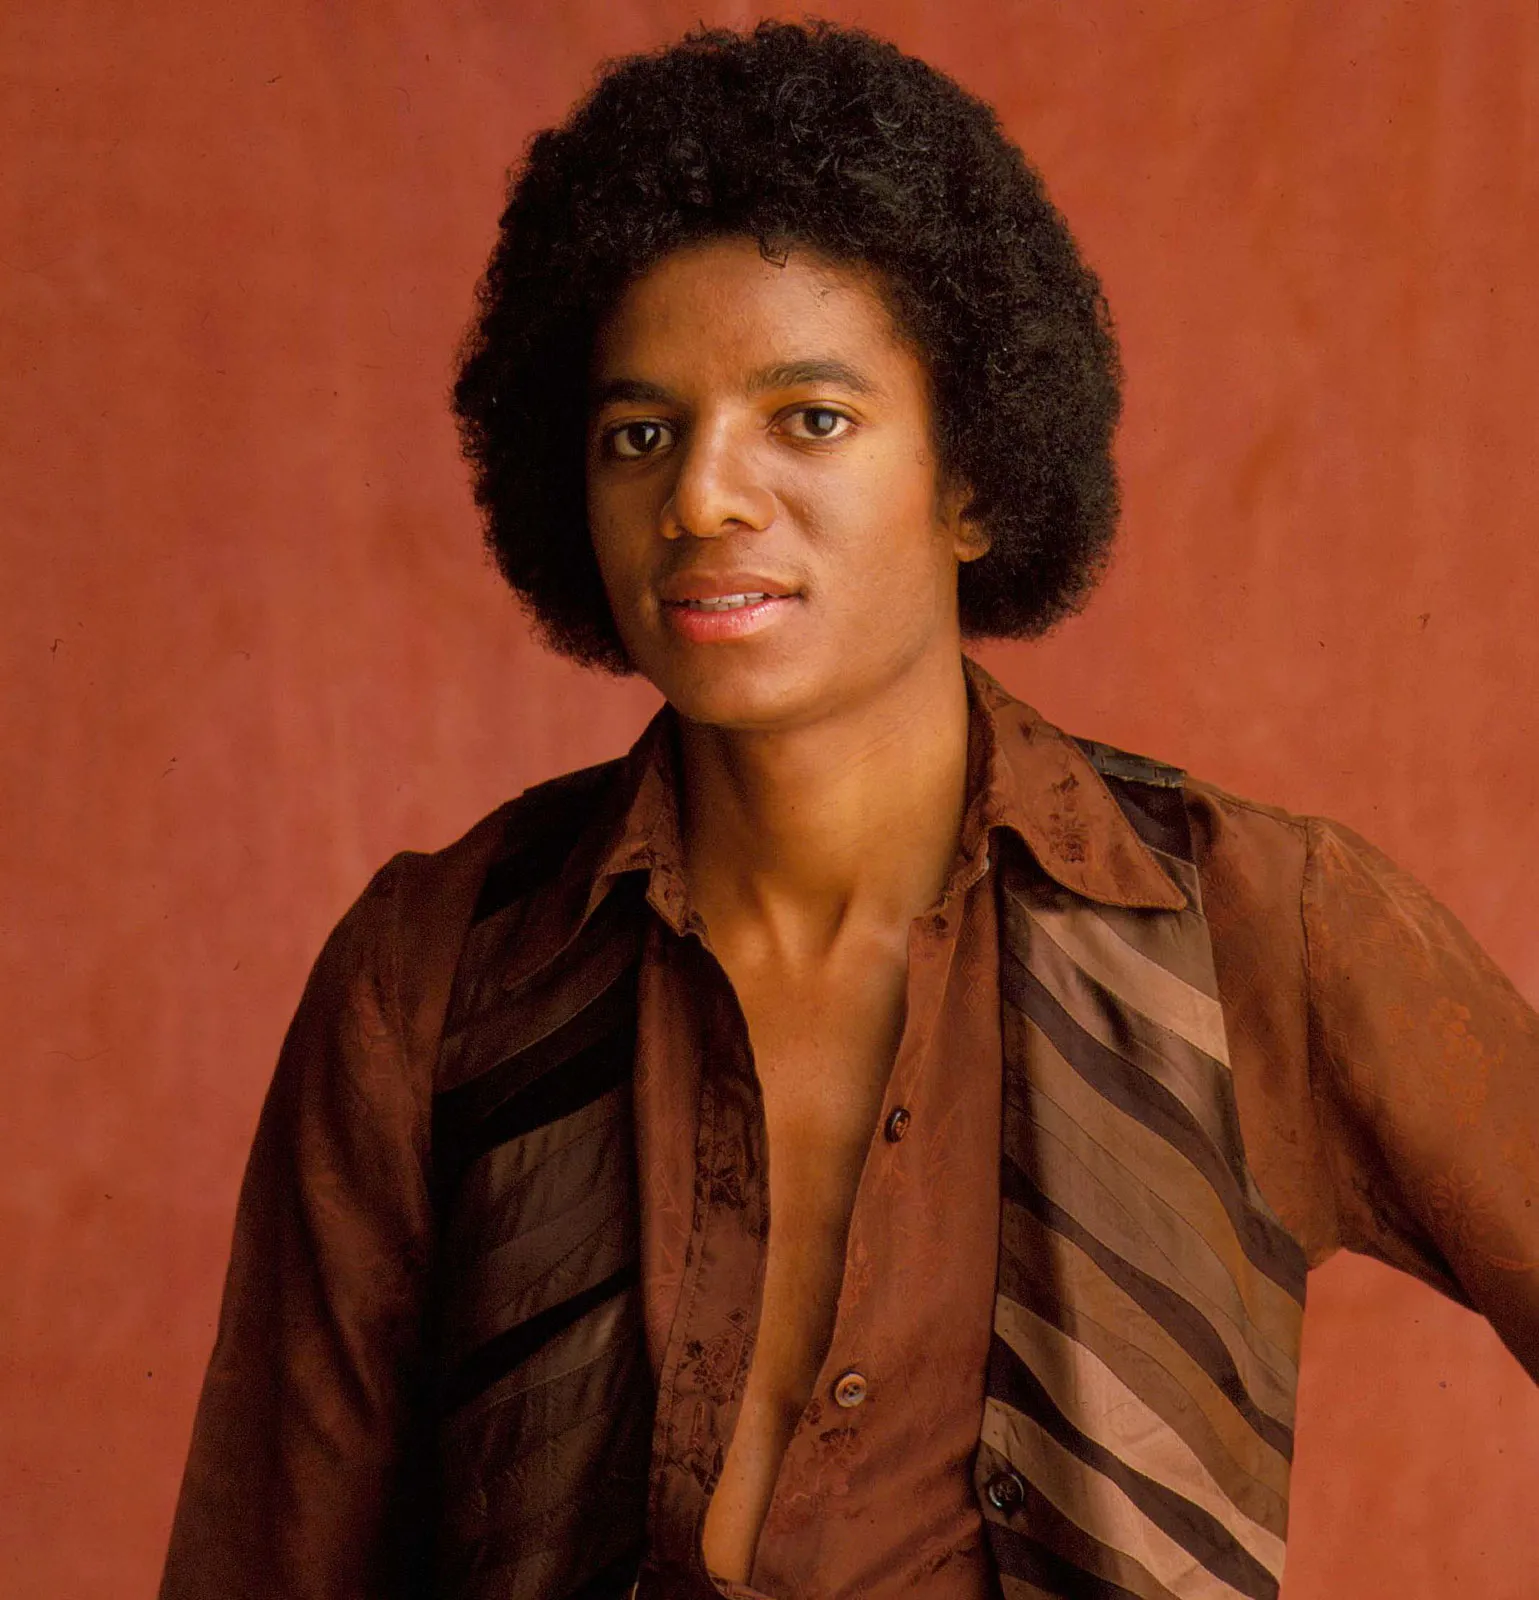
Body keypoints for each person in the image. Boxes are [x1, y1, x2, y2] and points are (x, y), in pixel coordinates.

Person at [158, 19, 1539, 1600]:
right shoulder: (435, 971)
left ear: (972, 483)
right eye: (640, 434)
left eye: (807, 418)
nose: (699, 495)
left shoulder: (1254, 927)